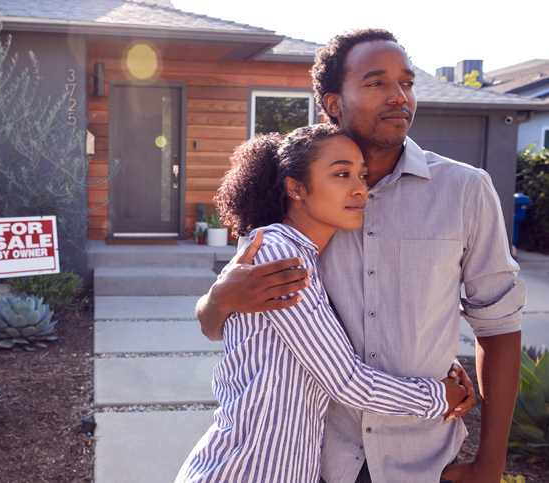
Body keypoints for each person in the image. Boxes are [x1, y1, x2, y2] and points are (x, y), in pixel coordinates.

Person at [196, 29, 525, 483]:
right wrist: (215, 301)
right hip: (319, 460)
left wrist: (490, 462)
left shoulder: (466, 189)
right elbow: (226, 324)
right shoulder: (294, 198)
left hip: (424, 461)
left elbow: (500, 325)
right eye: (376, 83)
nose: (399, 97)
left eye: (406, 83)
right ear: (333, 102)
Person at [176, 125, 470, 483]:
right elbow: (347, 381)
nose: (360, 188)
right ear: (296, 188)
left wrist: (438, 358)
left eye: (362, 175)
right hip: (244, 470)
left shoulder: (308, 256)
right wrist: (440, 396)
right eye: (342, 174)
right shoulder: (280, 256)